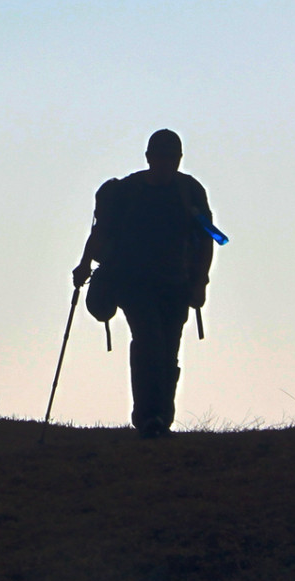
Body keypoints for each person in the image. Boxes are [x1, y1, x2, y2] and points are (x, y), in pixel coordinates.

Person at [72, 129, 215, 437]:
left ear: (179, 159)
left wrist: (200, 281)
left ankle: (161, 418)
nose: (165, 164)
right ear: (149, 158)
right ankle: (148, 418)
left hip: (175, 285)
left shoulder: (189, 192)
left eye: (171, 158)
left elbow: (207, 239)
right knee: (149, 341)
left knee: (167, 350)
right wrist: (85, 263)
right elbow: (101, 231)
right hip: (132, 283)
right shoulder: (127, 192)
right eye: (160, 157)